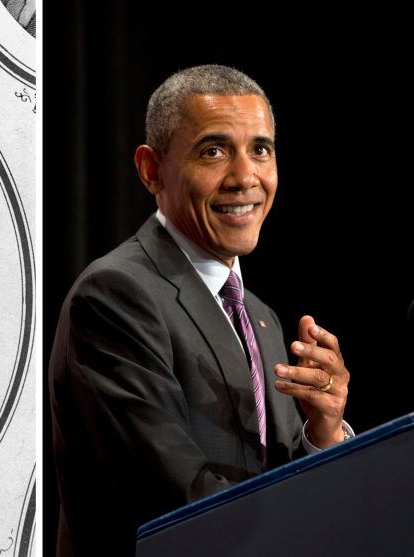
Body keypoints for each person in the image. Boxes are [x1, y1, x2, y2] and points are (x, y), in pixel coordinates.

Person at [48, 65, 353, 556]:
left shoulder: (260, 317)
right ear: (151, 170)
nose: (245, 177)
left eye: (261, 150)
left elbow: (279, 478)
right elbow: (182, 504)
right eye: (214, 151)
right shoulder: (114, 296)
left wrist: (324, 432)